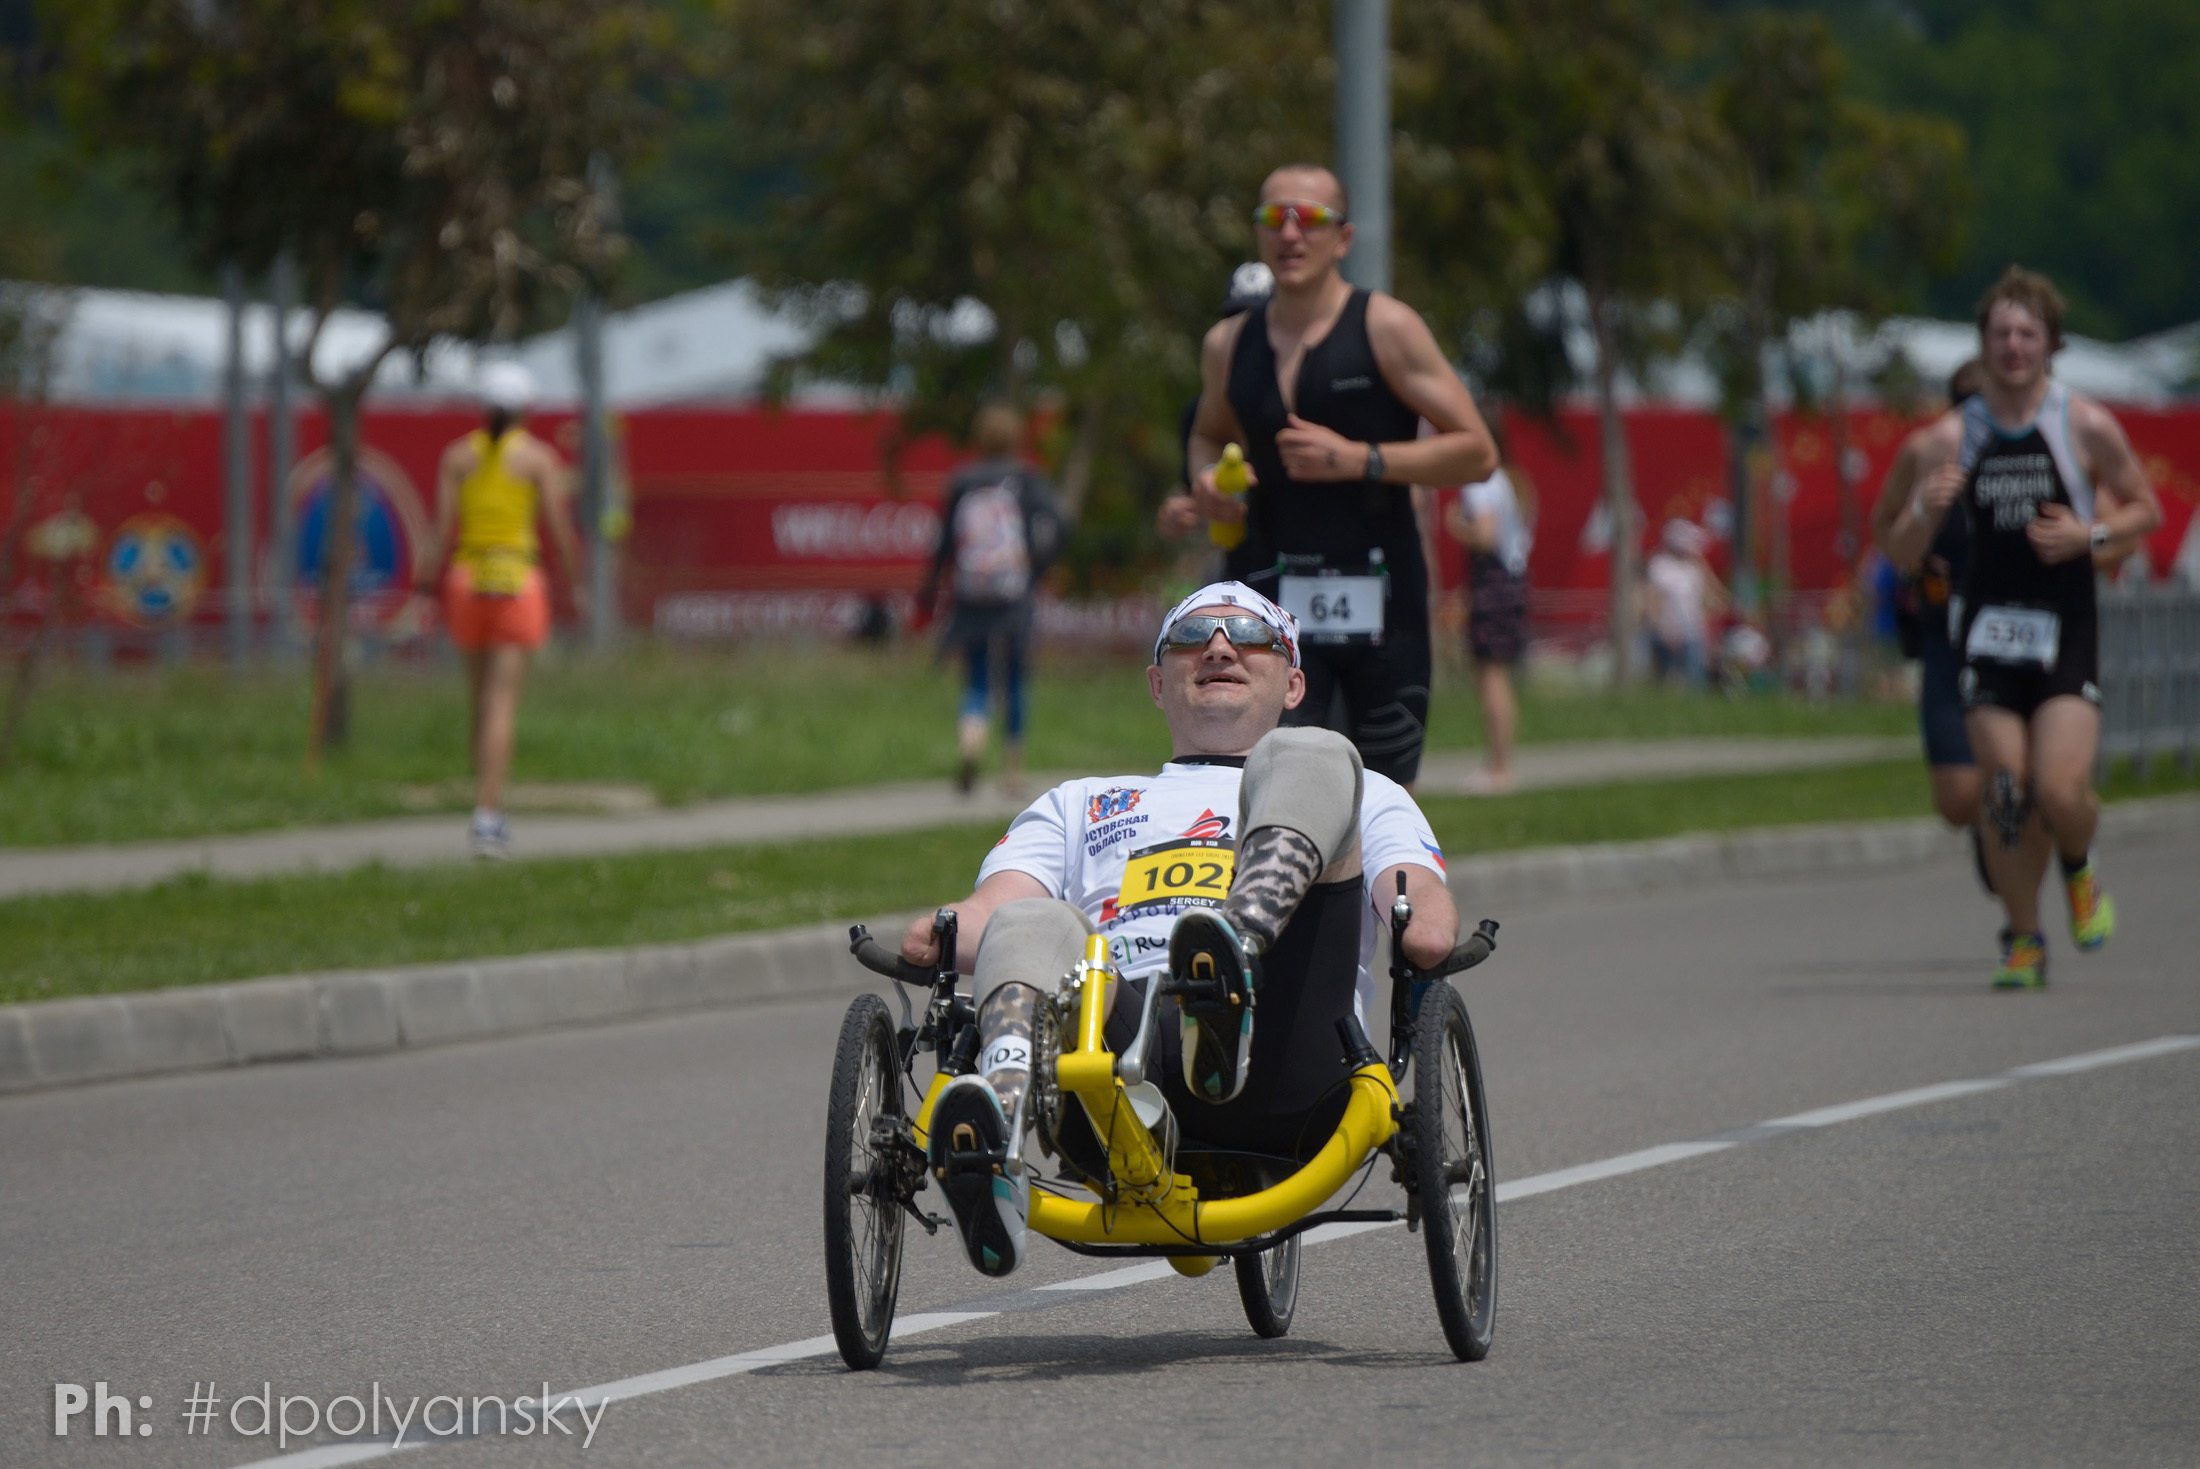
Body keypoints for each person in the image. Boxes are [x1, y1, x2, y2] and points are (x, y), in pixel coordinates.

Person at [898, 581, 1458, 1278]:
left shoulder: (1361, 786)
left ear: (1293, 683)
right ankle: (996, 1136)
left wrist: (1427, 924)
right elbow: (992, 912)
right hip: (1114, 1068)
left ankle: (1234, 953)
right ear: (1158, 684)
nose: (1219, 647)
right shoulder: (1079, 803)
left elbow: (1421, 905)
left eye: (1248, 635)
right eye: (1192, 636)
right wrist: (941, 929)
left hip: (1287, 1052)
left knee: (1311, 752)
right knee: (1032, 918)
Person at [1883, 267, 2160, 987]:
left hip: (2065, 632)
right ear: (1982, 344)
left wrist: (2088, 536)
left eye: (2027, 334)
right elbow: (1894, 545)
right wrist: (1923, 511)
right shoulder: (1945, 439)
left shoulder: (2084, 424)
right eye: (2001, 333)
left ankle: (2078, 863)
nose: (2013, 346)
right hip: (1986, 636)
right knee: (2004, 792)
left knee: (2060, 792)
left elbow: (2146, 510)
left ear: (2050, 344)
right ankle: (2024, 939)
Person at [1185, 163, 1497, 790]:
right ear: (1258, 232)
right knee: (1274, 791)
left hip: (1381, 593)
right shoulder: (1227, 344)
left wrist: (1362, 460)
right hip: (1270, 591)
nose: (1290, 233)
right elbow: (1205, 434)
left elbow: (1477, 452)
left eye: (1309, 219)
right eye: (1274, 218)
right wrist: (1206, 481)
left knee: (1385, 800)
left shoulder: (1387, 327)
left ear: (1343, 237)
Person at [415, 361, 585, 858]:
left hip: (466, 580)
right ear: (526, 408)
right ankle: (489, 815)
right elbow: (558, 529)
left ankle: (483, 800)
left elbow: (440, 529)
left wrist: (424, 583)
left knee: (479, 702)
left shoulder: (457, 457)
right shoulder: (537, 458)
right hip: (516, 581)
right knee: (502, 702)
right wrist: (575, 582)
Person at [1873, 360, 1993, 879]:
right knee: (1958, 799)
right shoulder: (1926, 450)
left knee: (2029, 777)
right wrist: (1922, 513)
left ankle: (2037, 854)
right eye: (1964, 404)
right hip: (1947, 634)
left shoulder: (2042, 447)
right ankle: (1993, 828)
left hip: (2017, 638)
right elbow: (1885, 530)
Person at [919, 401, 1064, 796]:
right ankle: (1011, 770)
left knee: (978, 678)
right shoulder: (1027, 478)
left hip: (971, 594)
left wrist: (930, 588)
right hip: (1014, 592)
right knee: (1015, 678)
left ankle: (970, 747)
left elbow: (944, 542)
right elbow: (1059, 522)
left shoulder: (962, 480)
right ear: (1016, 437)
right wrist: (1036, 568)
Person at [1442, 435, 1536, 793]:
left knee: (1491, 675)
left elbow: (1484, 536)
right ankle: (1501, 762)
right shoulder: (1507, 482)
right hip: (1510, 582)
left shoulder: (1481, 483)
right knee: (1499, 675)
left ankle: (1499, 767)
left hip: (1493, 584)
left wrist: (1456, 524)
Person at [1641, 519, 1726, 688]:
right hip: (1666, 632)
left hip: (1692, 633)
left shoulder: (1694, 568)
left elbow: (1714, 598)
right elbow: (1652, 601)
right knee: (1664, 681)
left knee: (1695, 681)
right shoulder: (1659, 566)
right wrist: (1661, 629)